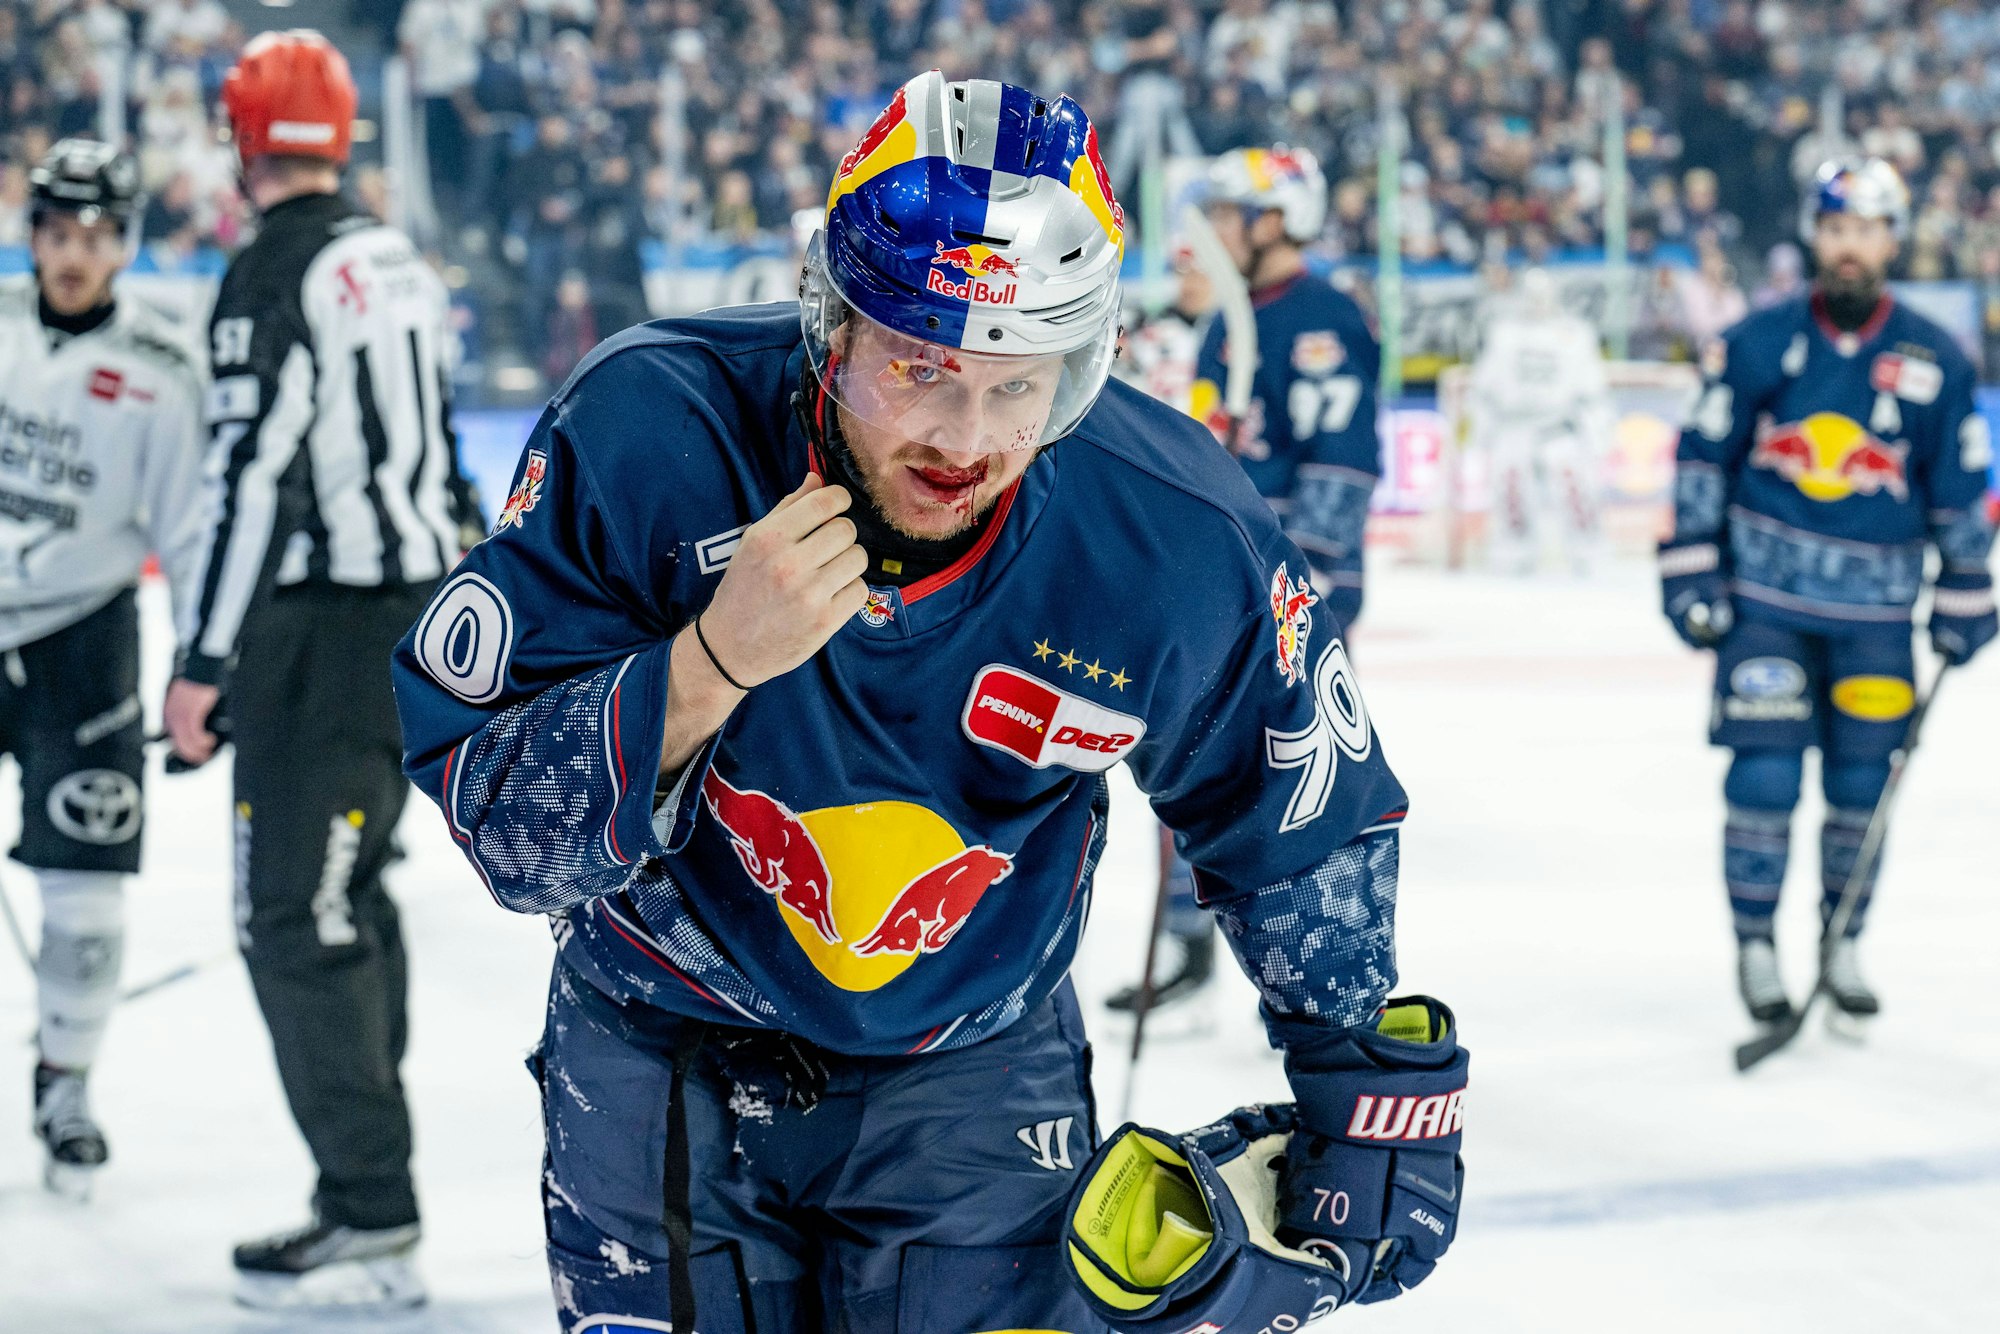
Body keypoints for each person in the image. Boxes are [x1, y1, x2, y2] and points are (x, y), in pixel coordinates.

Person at [395, 72, 1466, 1333]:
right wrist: (710, 662)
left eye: (1019, 384)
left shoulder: (1170, 531)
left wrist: (1362, 1075)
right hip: (657, 1040)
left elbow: (1297, 814)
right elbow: (507, 832)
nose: (964, 435)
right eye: (920, 367)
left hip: (972, 1071)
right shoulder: (647, 429)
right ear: (831, 327)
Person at [159, 30, 472, 1312]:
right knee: (353, 894)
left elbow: (250, 479)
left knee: (297, 918)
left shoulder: (273, 271)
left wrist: (199, 658)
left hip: (320, 635)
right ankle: (370, 1192)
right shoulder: (391, 255)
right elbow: (440, 447)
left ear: (243, 140)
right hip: (406, 623)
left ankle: (369, 1210)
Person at [1659, 158, 1996, 1029]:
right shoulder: (1758, 341)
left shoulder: (1934, 357)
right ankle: (1757, 945)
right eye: (1836, 230)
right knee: (1764, 778)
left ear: (1892, 239)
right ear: (1816, 235)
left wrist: (1966, 590)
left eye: (1868, 231)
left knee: (1861, 788)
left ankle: (1842, 940)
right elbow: (1702, 457)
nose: (1850, 248)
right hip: (1765, 608)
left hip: (1878, 622)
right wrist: (1691, 568)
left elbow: (1959, 484)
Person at [1115, 145, 1384, 1016]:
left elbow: (1340, 468)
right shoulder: (1229, 320)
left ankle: (1309, 974)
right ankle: (1186, 944)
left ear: (1277, 221)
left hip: (1286, 586)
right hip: (1216, 573)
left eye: (1231, 215)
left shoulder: (1327, 319)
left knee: (1284, 775)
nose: (1216, 232)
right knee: (1186, 757)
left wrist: (1304, 585)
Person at [0, 138, 207, 1197]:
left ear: (122, 245)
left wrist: (203, 667)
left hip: (84, 636)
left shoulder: (164, 373)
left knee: (82, 883)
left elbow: (195, 531)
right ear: (30, 235)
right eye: (56, 232)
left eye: (94, 236)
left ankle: (65, 1079)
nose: (73, 254)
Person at [1469, 268, 1614, 576]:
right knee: (1511, 489)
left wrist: (1597, 432)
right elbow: (1484, 387)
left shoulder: (1574, 334)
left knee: (1575, 487)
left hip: (1559, 424)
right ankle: (1514, 551)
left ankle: (1587, 550)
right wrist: (1481, 431)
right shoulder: (1504, 333)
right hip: (1514, 425)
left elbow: (1592, 389)